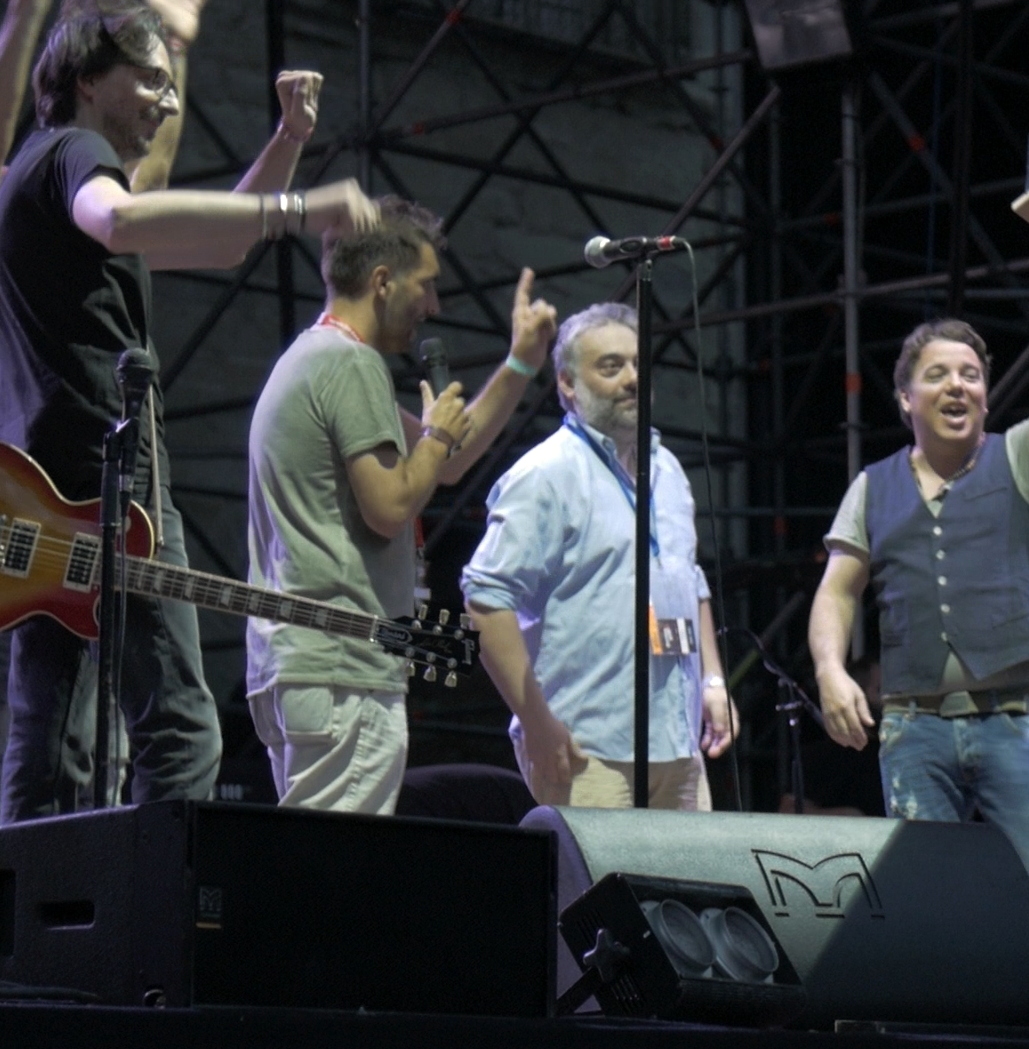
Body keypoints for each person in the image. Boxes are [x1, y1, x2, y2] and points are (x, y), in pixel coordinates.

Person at [0, 1, 377, 822]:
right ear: (89, 80)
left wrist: (288, 144)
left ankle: (24, 937)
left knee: (53, 736)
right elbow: (120, 220)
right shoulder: (76, 154)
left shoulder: (36, 168)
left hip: (52, 483)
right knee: (181, 728)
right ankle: (157, 935)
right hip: (109, 483)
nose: (168, 102)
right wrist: (302, 208)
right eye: (151, 80)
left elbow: (218, 240)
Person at [0, 0, 212, 976]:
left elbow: (140, 190)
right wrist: (29, 14)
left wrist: (176, 52)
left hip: (66, 525)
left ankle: (58, 958)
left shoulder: (62, 227)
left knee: (81, 765)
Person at [807, 219, 1029, 1031]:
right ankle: (936, 1033)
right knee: (924, 890)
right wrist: (833, 671)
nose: (957, 387)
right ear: (904, 396)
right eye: (938, 375)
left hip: (1016, 722)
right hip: (914, 727)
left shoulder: (1020, 458)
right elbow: (837, 591)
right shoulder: (873, 487)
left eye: (971, 375)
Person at [244, 198, 558, 814]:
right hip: (342, 667)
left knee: (314, 865)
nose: (434, 305)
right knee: (339, 876)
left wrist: (520, 363)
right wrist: (436, 434)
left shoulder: (312, 358)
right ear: (383, 282)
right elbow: (392, 504)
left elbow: (449, 462)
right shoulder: (350, 363)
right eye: (427, 284)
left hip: (303, 664)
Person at [462, 303, 737, 810]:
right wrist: (538, 725)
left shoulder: (668, 469)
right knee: (598, 891)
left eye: (638, 364)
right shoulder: (546, 474)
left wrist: (713, 681)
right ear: (568, 383)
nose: (633, 379)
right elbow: (485, 600)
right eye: (611, 366)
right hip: (585, 747)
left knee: (692, 889)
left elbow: (688, 580)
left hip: (677, 742)